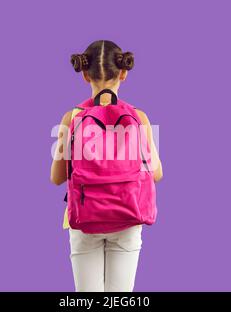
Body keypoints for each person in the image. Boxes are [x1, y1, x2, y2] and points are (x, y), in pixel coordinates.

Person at [50, 40, 163, 292]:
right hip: (128, 215)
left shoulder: (72, 117)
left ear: (85, 74)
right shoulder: (138, 117)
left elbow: (57, 177)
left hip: (84, 216)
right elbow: (156, 172)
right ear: (123, 73)